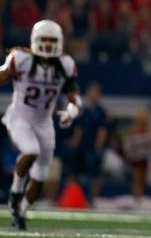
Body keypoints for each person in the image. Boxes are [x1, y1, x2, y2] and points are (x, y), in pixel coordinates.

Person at [0, 20, 82, 230]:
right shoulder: (21, 60)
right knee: (31, 150)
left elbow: (74, 96)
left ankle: (21, 212)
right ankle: (16, 192)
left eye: (51, 41)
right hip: (20, 116)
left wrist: (72, 111)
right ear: (35, 41)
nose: (47, 45)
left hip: (44, 123)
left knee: (41, 175)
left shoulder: (65, 65)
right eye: (43, 40)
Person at [76, 81, 109, 203]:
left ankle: (93, 197)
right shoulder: (84, 110)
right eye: (92, 91)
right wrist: (75, 143)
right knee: (80, 172)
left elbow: (102, 130)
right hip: (83, 145)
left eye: (96, 92)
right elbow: (79, 128)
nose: (94, 94)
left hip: (93, 147)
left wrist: (98, 146)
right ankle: (81, 197)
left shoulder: (101, 111)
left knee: (95, 172)